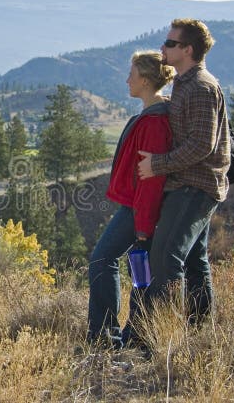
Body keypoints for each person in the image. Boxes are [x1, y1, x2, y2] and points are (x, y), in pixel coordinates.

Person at [137, 18, 230, 326]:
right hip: (191, 184)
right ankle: (201, 330)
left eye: (170, 44)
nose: (163, 47)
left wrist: (157, 164)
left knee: (165, 258)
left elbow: (202, 145)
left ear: (187, 50)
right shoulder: (185, 83)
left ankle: (165, 332)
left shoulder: (201, 87)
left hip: (194, 185)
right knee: (194, 260)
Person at [87, 50, 174, 348]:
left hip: (140, 210)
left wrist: (142, 226)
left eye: (132, 75)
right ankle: (134, 335)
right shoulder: (152, 114)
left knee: (102, 259)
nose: (127, 80)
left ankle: (105, 336)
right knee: (140, 271)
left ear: (146, 80)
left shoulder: (154, 123)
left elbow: (152, 178)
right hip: (138, 208)